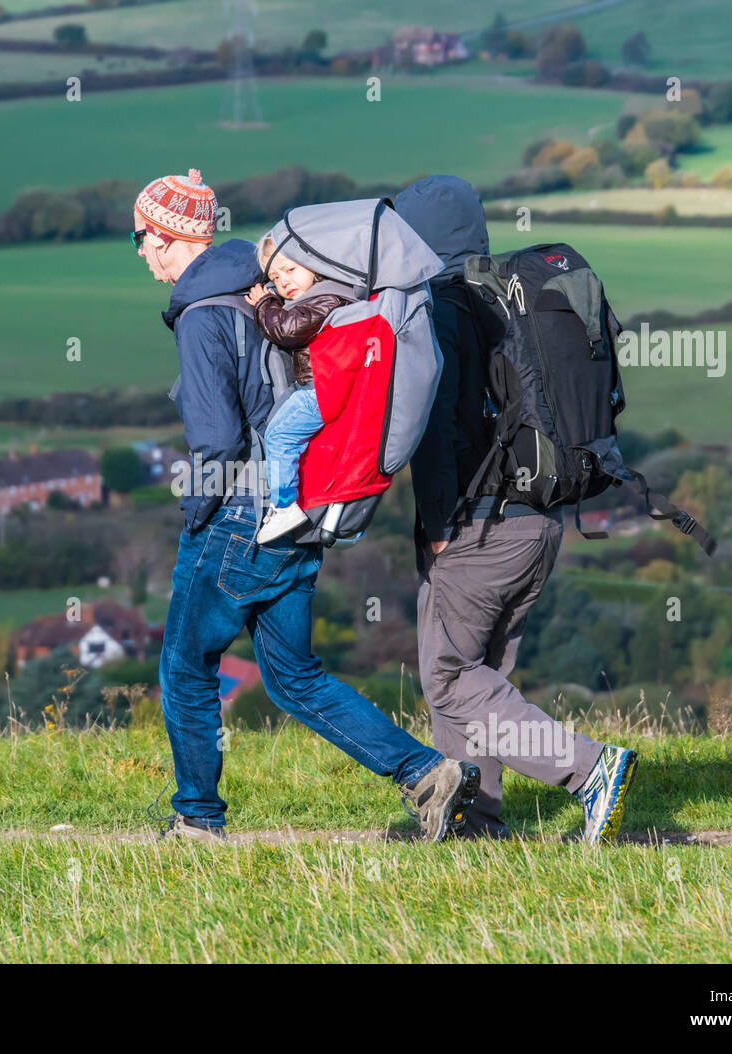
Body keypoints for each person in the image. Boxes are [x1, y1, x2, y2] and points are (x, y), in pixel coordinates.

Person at [132, 168, 479, 842]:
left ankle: (197, 819)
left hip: (238, 515)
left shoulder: (204, 316)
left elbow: (217, 439)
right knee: (292, 677)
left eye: (143, 237)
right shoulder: (257, 291)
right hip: (302, 510)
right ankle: (427, 773)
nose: (141, 251)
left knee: (184, 666)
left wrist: (196, 516)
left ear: (171, 238)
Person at [395, 174, 638, 845]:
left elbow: (440, 429)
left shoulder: (442, 308)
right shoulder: (501, 296)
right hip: (541, 517)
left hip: (479, 522)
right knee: (477, 677)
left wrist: (440, 527)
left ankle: (589, 770)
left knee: (448, 678)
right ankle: (473, 823)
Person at [243, 235, 355, 544]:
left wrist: (265, 303)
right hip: (323, 385)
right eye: (275, 278)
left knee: (280, 436)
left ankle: (284, 506)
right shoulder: (323, 297)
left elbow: (288, 329)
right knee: (284, 436)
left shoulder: (329, 296)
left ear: (314, 264)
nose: (283, 281)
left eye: (290, 269)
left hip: (323, 386)